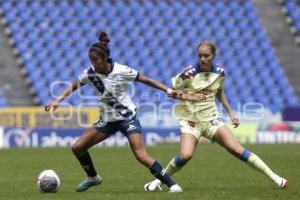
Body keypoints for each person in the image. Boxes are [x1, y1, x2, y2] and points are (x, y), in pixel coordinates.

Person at [45, 32, 196, 193]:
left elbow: (147, 80)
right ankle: (93, 178)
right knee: (77, 147)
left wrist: (169, 90)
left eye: (95, 60)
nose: (93, 63)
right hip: (107, 121)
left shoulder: (121, 70)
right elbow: (75, 85)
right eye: (91, 60)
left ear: (105, 58)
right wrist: (58, 100)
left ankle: (172, 185)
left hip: (127, 118)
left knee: (140, 155)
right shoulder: (90, 73)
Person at [144, 41, 288, 191]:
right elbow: (170, 93)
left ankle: (275, 178)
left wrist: (231, 112)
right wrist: (188, 96)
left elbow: (219, 93)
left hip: (212, 119)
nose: (203, 59)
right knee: (185, 155)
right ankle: (160, 181)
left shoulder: (220, 73)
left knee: (237, 150)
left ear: (214, 55)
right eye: (200, 55)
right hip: (190, 121)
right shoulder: (188, 74)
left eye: (206, 55)